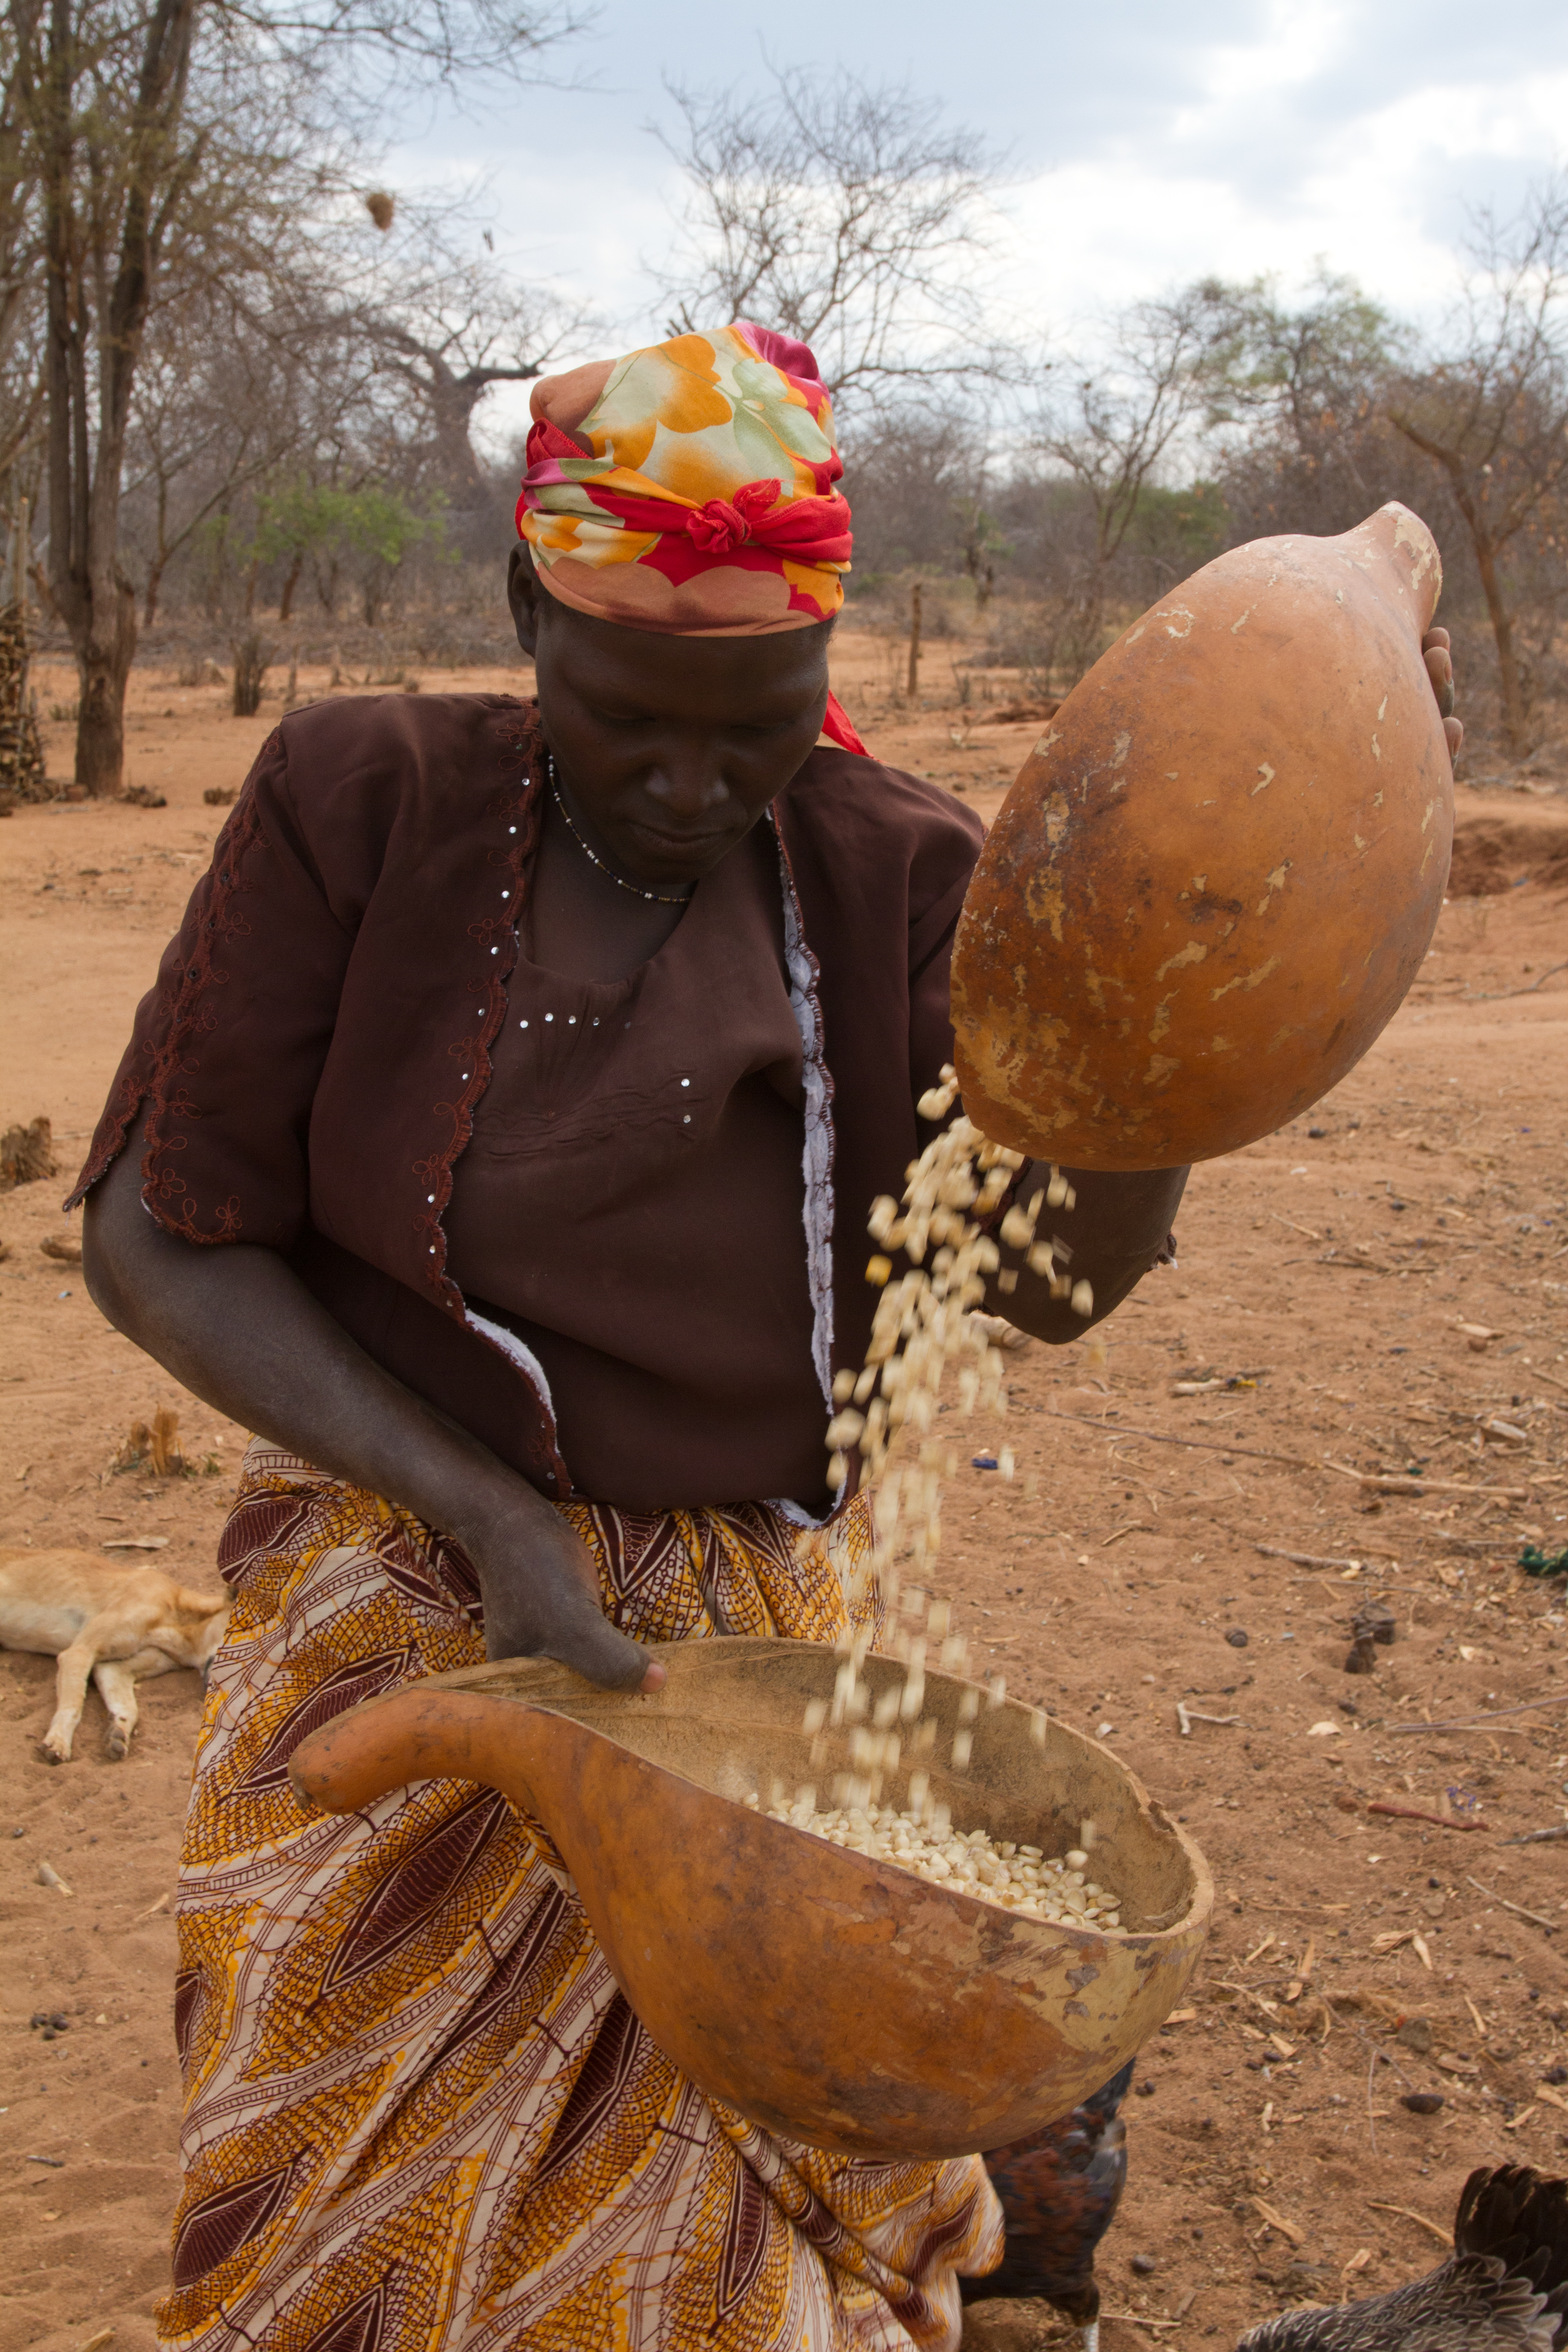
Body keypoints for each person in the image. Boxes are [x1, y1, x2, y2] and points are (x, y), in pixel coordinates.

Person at [74, 323, 1458, 2352]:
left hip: (735, 1672)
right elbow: (153, 1234)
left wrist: (1183, 987)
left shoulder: (900, 875)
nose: (694, 782)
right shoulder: (360, 802)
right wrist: (483, 1515)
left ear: (829, 659)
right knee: (348, 2172)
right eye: (633, 716)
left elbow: (1046, 1281)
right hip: (403, 1575)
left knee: (716, 2232)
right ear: (527, 618)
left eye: (757, 722)